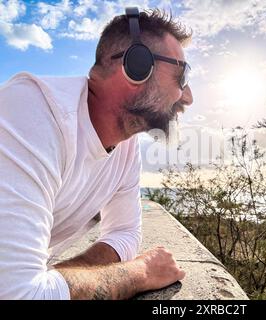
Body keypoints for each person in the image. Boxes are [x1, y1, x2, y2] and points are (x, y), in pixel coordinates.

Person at [0, 7, 193, 300]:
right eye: (182, 76)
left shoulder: (126, 148)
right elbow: (17, 295)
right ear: (136, 66)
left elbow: (126, 233)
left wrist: (58, 282)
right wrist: (139, 273)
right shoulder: (29, 111)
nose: (188, 96)